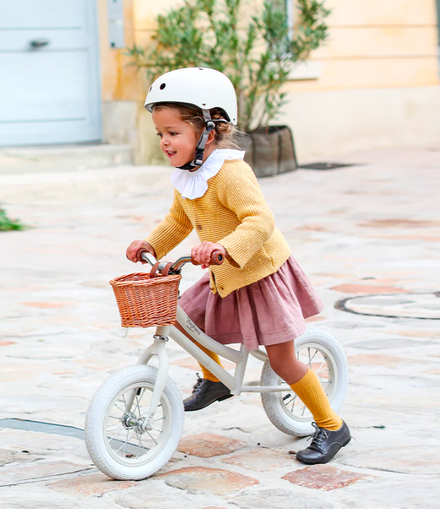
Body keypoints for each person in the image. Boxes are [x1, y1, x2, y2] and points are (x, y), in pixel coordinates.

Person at [126, 67, 350, 465]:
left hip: (259, 274)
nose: (164, 141)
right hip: (224, 274)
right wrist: (151, 243)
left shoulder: (230, 173)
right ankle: (215, 381)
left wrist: (224, 247)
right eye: (160, 133)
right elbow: (178, 222)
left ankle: (332, 426)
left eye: (173, 133)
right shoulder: (189, 174)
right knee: (182, 320)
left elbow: (260, 221)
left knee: (282, 360)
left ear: (208, 132)